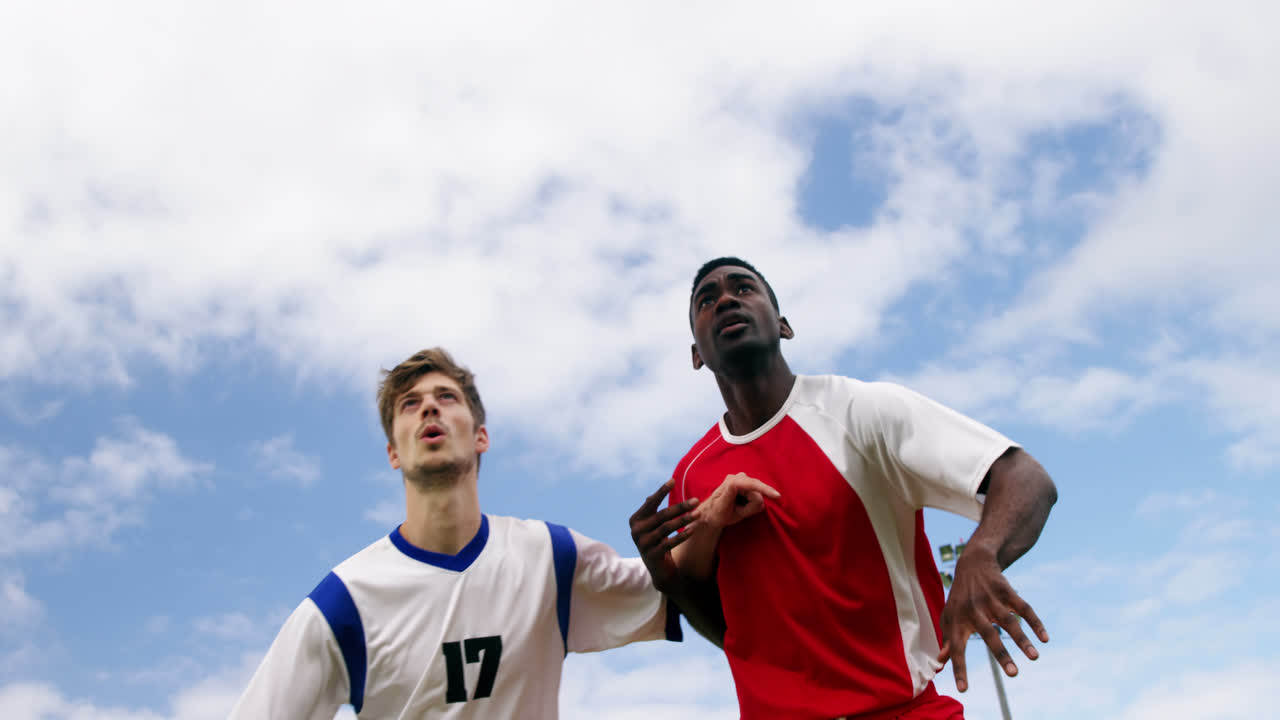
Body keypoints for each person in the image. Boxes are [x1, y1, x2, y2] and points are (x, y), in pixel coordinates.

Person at [630, 258, 1058, 720]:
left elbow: (1026, 478)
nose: (727, 299)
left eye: (743, 288)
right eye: (707, 300)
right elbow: (731, 630)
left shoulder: (860, 411)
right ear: (697, 354)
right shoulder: (691, 475)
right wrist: (666, 576)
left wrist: (982, 553)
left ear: (784, 326)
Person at [231, 347, 682, 719]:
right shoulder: (346, 601)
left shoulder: (550, 556)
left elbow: (679, 582)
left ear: (480, 435)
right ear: (393, 451)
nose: (428, 405)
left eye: (446, 397)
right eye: (410, 403)